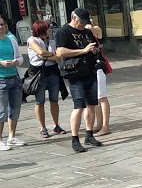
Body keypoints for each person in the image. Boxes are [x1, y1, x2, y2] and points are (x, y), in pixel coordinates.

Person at [55, 8, 104, 153]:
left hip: (90, 71)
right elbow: (60, 52)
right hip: (75, 74)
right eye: (82, 22)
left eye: (85, 22)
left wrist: (94, 51)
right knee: (79, 106)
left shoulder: (87, 32)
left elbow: (93, 47)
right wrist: (83, 51)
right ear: (73, 17)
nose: (83, 25)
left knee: (92, 104)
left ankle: (89, 135)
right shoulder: (63, 32)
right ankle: (75, 139)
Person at [26, 20, 67, 138]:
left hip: (53, 71)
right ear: (41, 29)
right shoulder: (32, 40)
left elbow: (58, 57)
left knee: (54, 99)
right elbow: (40, 52)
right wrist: (51, 55)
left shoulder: (52, 40)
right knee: (40, 101)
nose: (50, 30)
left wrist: (46, 55)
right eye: (48, 28)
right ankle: (42, 127)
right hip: (38, 73)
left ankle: (56, 125)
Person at [0, 15, 26, 150]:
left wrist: (17, 62)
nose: (1, 27)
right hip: (1, 79)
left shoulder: (11, 40)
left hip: (14, 77)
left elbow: (20, 57)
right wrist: (1, 62)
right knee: (1, 111)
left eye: (2, 24)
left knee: (15, 109)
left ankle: (11, 136)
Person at [85, 20, 111, 136]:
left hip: (98, 65)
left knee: (102, 97)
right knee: (95, 98)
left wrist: (88, 25)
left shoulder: (96, 29)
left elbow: (93, 30)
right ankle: (99, 124)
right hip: (88, 67)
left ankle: (106, 126)